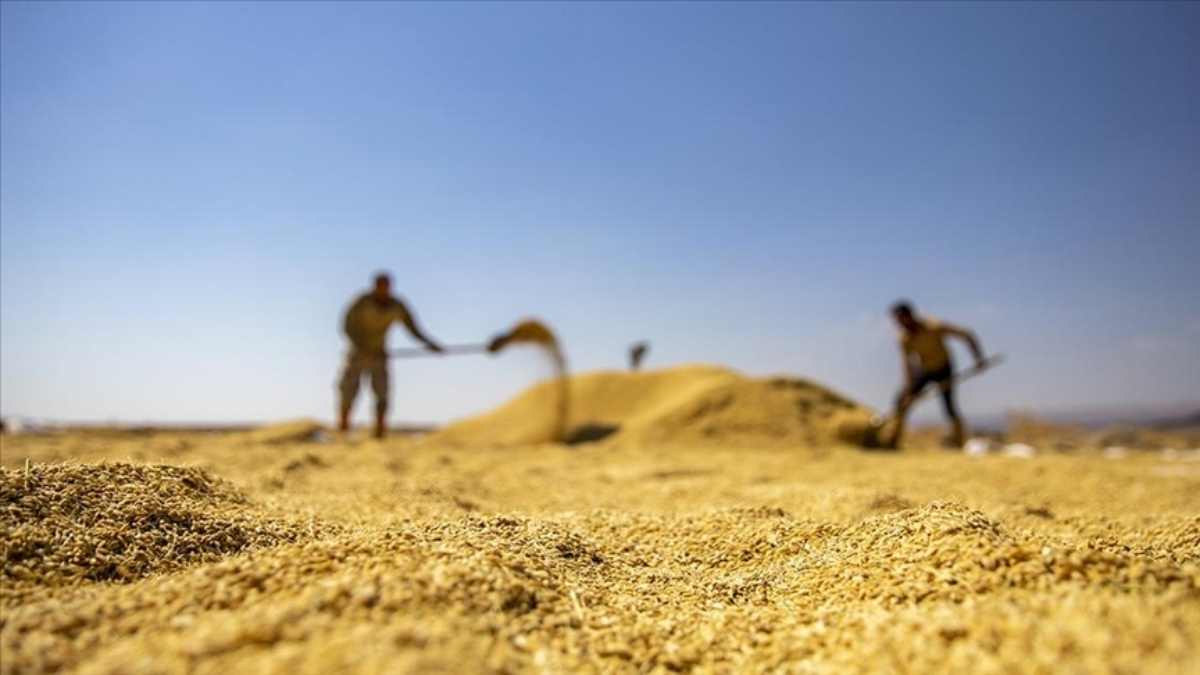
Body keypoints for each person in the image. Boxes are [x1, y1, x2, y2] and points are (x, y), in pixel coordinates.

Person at [338, 272, 443, 439]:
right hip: (357, 353)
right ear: (375, 286)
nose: (384, 290)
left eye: (387, 287)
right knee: (348, 390)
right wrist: (361, 348)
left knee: (382, 392)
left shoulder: (397, 305)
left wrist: (430, 345)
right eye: (381, 287)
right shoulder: (361, 301)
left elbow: (413, 328)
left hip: (379, 354)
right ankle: (343, 430)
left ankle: (379, 432)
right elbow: (346, 325)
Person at [886, 300, 986, 449]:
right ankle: (892, 441)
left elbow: (966, 334)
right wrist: (909, 392)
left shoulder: (933, 326)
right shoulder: (904, 339)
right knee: (900, 403)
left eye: (901, 320)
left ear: (909, 316)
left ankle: (959, 443)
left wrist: (978, 358)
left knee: (950, 407)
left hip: (944, 369)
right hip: (924, 370)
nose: (899, 324)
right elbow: (907, 366)